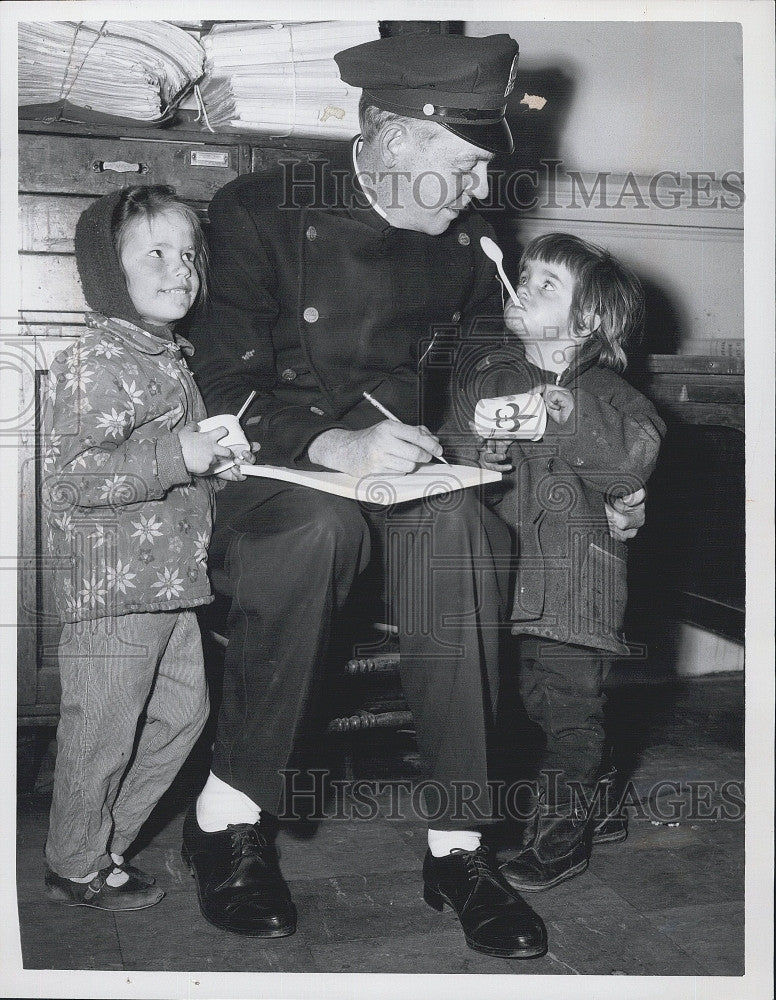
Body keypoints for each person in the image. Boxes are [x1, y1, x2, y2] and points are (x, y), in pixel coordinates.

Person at [182, 34, 644, 957]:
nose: (482, 190)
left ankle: (458, 845)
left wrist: (582, 479)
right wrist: (329, 440)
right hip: (276, 478)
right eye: (466, 165)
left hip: (410, 480)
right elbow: (219, 377)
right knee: (316, 528)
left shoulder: (473, 248)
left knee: (463, 532)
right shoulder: (258, 211)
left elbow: (484, 395)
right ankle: (227, 817)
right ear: (395, 138)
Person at [41, 185, 253, 911]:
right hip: (114, 589)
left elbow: (172, 463)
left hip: (173, 584)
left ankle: (105, 847)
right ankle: (74, 861)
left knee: (184, 717)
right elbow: (73, 476)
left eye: (188, 254)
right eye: (156, 252)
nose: (181, 268)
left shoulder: (169, 357)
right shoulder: (94, 358)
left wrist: (212, 466)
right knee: (101, 731)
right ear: (110, 271)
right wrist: (178, 456)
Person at [442, 232, 665, 892]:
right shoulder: (489, 377)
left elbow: (633, 456)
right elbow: (454, 455)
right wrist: (482, 450)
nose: (523, 284)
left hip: (576, 588)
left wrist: (551, 413)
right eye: (525, 274)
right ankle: (592, 802)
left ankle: (558, 838)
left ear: (588, 320)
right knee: (514, 706)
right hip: (501, 580)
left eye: (547, 284)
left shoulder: (613, 395)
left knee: (570, 713)